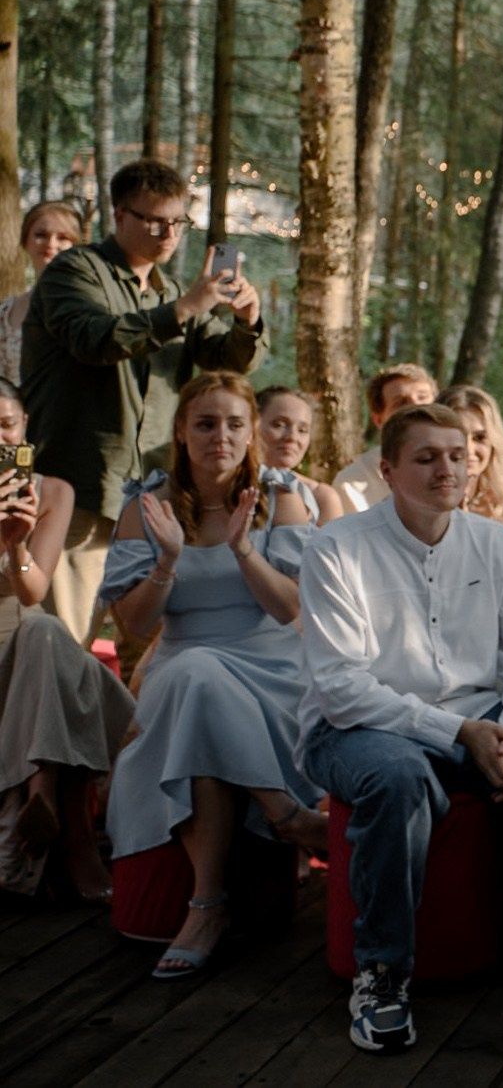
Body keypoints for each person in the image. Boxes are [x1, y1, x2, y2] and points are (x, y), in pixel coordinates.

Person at [298, 402, 503, 1055]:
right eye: (427, 456)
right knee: (400, 776)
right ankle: (381, 972)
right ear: (387, 468)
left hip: (483, 721)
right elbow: (344, 688)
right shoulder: (335, 547)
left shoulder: (496, 545)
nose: (448, 468)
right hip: (356, 730)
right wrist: (461, 731)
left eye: (458, 455)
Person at [102, 372, 325, 979]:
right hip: (181, 664)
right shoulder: (145, 507)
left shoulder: (279, 499)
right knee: (195, 677)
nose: (219, 437)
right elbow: (134, 624)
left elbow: (291, 609)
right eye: (204, 423)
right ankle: (286, 814)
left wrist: (243, 550)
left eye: (233, 423)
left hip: (272, 671)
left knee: (195, 697)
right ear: (180, 431)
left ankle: (206, 909)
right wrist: (169, 560)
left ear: (251, 431)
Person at [22, 157, 265, 650]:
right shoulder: (76, 270)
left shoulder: (172, 290)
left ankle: (133, 729)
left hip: (153, 491)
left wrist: (246, 321)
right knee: (63, 642)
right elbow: (94, 339)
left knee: (152, 644)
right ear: (119, 216)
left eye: (177, 221)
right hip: (83, 483)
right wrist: (184, 309)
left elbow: (225, 360)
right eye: (153, 220)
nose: (167, 233)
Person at [0, 380, 133, 902]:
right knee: (67, 664)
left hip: (23, 641)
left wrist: (14, 546)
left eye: (7, 426)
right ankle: (64, 823)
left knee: (46, 629)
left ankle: (43, 793)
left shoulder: (53, 491)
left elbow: (33, 589)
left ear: (26, 428)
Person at [0, 201, 86, 384]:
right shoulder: (7, 311)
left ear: (77, 245)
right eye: (41, 235)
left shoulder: (92, 303)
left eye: (63, 237)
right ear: (25, 241)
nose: (51, 244)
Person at [332, 364, 437, 513]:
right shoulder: (353, 484)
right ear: (379, 420)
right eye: (401, 402)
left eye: (423, 397)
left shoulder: (466, 465)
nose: (417, 408)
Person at [437, 385, 503, 537]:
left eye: (479, 438)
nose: (469, 449)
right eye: (459, 437)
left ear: (494, 443)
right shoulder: (418, 503)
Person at [255, 385, 346, 524]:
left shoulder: (322, 497)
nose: (292, 437)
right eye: (279, 425)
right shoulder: (224, 485)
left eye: (302, 430)